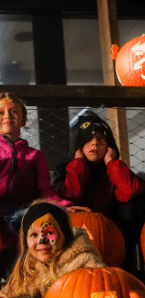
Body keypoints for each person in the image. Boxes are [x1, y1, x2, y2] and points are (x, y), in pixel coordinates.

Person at [0, 92, 81, 279]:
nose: (8, 116)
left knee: (25, 258)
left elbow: (45, 190)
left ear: (22, 120)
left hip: (24, 216)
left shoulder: (34, 156)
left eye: (14, 111)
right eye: (1, 112)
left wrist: (63, 206)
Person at [53, 110, 145, 271]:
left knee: (137, 200)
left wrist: (111, 162)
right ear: (79, 144)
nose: (95, 143)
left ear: (109, 144)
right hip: (75, 237)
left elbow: (129, 191)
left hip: (112, 234)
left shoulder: (113, 170)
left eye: (101, 139)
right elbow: (71, 193)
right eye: (88, 138)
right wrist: (78, 163)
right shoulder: (67, 168)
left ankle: (127, 263)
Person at [0, 200, 105, 298]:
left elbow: (102, 292)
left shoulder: (83, 261)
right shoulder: (30, 266)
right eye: (34, 235)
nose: (41, 241)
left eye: (49, 232)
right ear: (25, 240)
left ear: (65, 235)